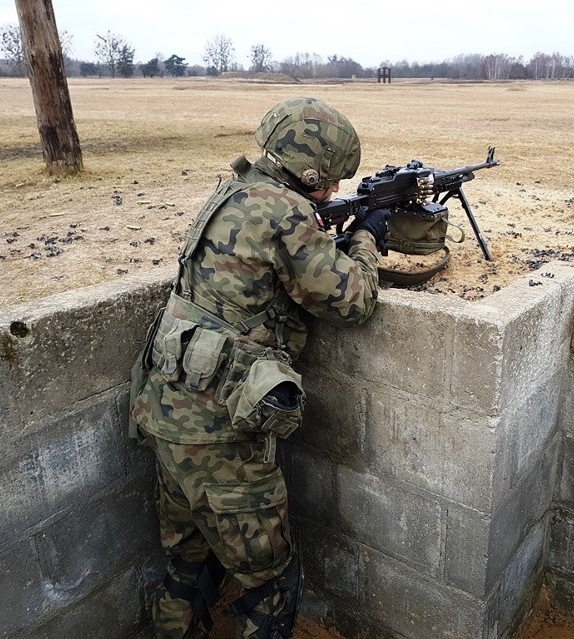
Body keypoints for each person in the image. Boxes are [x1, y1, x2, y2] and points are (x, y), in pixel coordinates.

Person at [129, 97, 390, 639]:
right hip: (223, 441)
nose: (336, 192)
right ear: (311, 170)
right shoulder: (287, 211)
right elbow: (353, 302)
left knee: (186, 568)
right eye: (331, 181)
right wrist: (367, 238)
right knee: (270, 586)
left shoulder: (234, 190)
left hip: (166, 416)